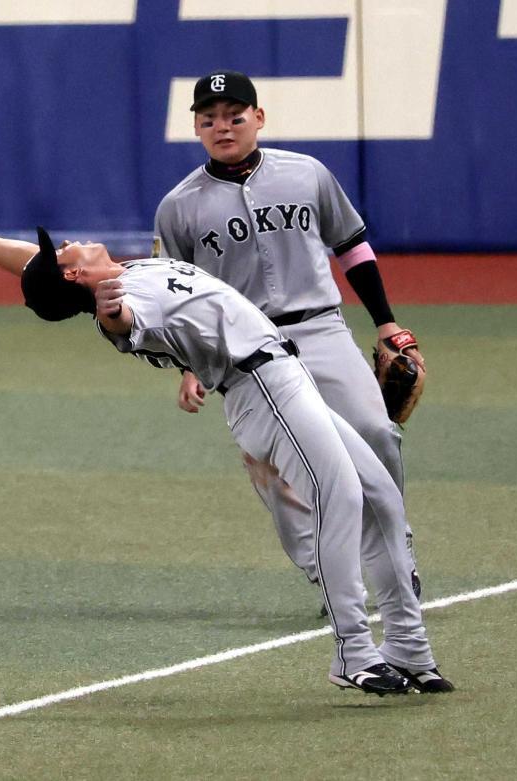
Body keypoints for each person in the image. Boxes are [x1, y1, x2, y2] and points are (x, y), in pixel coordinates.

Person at [0, 219, 453, 695]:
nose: (66, 243)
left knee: (381, 497)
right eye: (62, 252)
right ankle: (353, 651)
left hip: (287, 377)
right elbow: (121, 320)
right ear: (74, 276)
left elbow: (37, 267)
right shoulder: (121, 298)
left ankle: (407, 645)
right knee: (339, 498)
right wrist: (109, 311)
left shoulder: (127, 269)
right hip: (262, 390)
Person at [153, 70, 425, 602]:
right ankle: (328, 573)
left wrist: (386, 321)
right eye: (209, 119)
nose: (223, 127)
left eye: (235, 116)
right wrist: (188, 366)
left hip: (321, 327)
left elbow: (352, 246)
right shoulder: (178, 206)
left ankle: (397, 549)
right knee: (273, 467)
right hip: (242, 350)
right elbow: (174, 295)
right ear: (196, 128)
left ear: (258, 118)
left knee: (376, 431)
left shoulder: (307, 174)